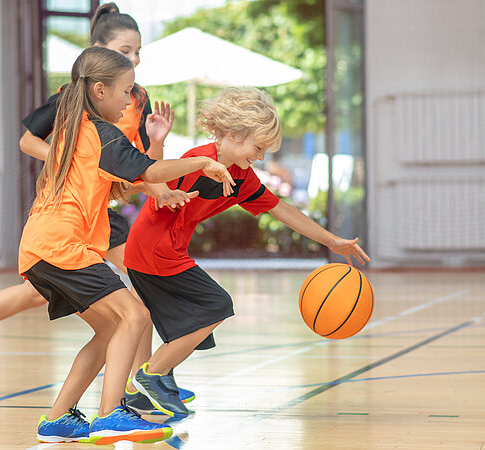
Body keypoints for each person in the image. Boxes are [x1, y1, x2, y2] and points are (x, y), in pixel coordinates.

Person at [0, 2, 198, 405]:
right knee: (137, 295)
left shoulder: (136, 97)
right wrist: (73, 160)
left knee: (43, 292)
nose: (134, 59)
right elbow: (28, 142)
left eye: (138, 52)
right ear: (99, 58)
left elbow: (140, 165)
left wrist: (157, 153)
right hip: (72, 210)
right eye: (125, 51)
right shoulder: (73, 99)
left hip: (104, 205)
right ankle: (141, 384)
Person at [18, 47, 233, 443]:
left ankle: (58, 418)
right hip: (62, 245)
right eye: (126, 92)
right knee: (135, 313)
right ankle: (110, 413)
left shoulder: (74, 128)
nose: (130, 101)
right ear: (100, 90)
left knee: (109, 331)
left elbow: (136, 177)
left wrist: (161, 185)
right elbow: (149, 169)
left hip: (42, 247)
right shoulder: (101, 133)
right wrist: (201, 163)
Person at [122, 87, 371, 417]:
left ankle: (143, 388)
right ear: (234, 134)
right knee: (216, 305)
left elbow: (281, 208)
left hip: (165, 251)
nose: (261, 157)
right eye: (259, 147)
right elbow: (155, 181)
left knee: (173, 316)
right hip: (154, 250)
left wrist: (331, 241)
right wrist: (157, 144)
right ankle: (151, 376)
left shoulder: (241, 177)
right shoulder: (198, 159)